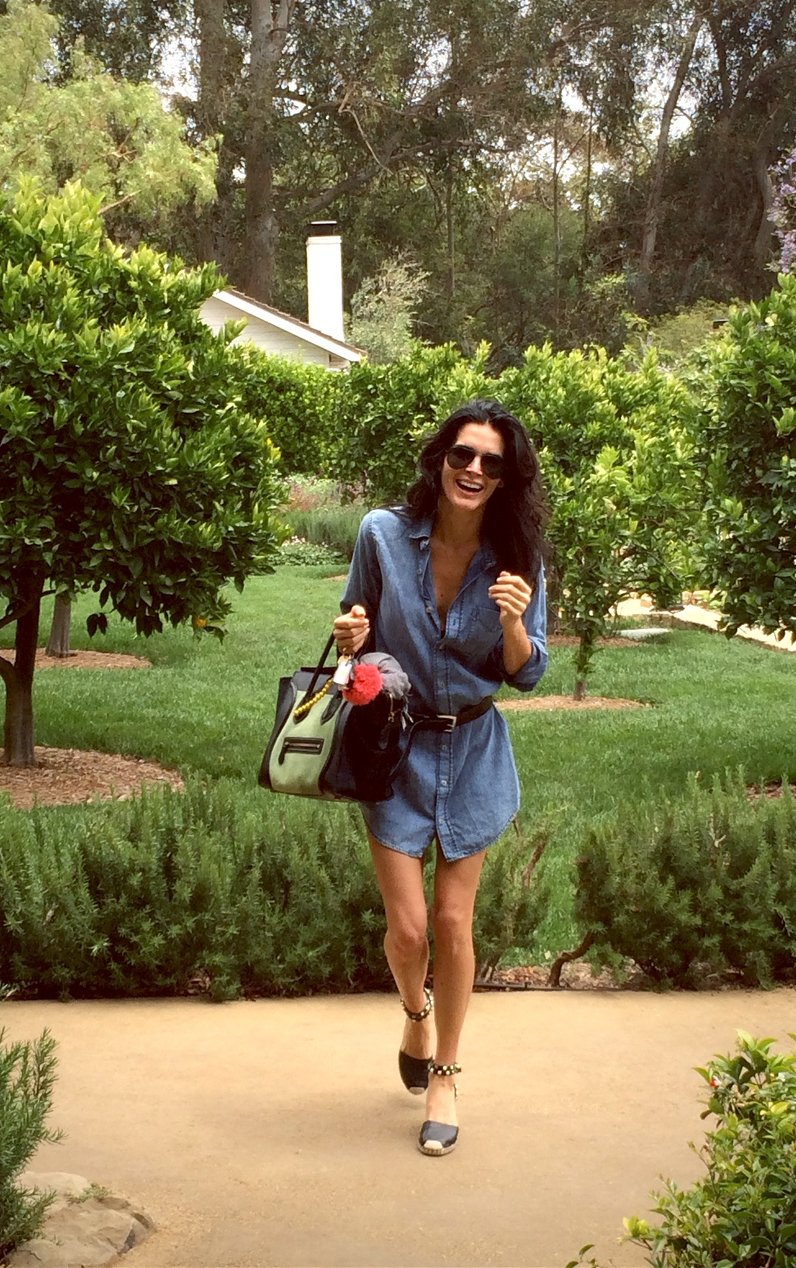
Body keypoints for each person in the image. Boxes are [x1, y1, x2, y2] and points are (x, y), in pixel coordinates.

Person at [333, 399, 550, 1158]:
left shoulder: (518, 556)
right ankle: (415, 1013)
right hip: (394, 749)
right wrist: (350, 638)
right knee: (409, 930)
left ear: (506, 477)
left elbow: (528, 672)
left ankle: (446, 1077)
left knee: (454, 924)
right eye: (463, 454)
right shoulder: (382, 535)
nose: (474, 470)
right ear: (441, 459)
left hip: (475, 750)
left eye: (491, 462)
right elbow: (352, 637)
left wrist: (515, 625)